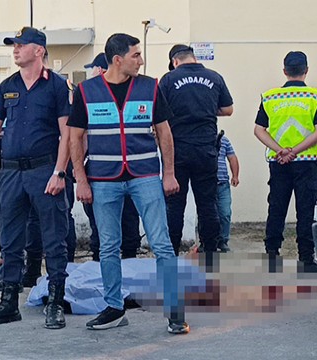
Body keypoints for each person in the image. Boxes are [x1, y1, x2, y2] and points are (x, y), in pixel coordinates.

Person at [68, 33, 188, 334]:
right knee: (108, 246)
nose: (142, 60)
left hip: (145, 176)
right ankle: (113, 308)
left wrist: (169, 173)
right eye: (136, 55)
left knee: (161, 244)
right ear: (118, 59)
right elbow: (75, 137)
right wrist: (80, 179)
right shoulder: (86, 91)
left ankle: (174, 310)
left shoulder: (150, 87)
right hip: (103, 179)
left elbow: (164, 133)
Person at [0, 26, 71, 329]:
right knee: (10, 238)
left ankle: (56, 301)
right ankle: (8, 303)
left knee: (54, 238)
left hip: (45, 169)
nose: (15, 50)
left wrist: (60, 171)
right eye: (13, 46)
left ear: (39, 50)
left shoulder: (57, 86)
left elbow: (67, 133)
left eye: (20, 45)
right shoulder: (8, 86)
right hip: (11, 172)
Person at [254, 51, 317, 272]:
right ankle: (306, 259)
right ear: (306, 70)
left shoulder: (270, 97)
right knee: (306, 210)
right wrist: (295, 151)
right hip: (306, 162)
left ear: (284, 71)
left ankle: (271, 255)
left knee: (276, 207)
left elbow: (259, 130)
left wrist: (281, 151)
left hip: (279, 163)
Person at [159, 44, 234, 255]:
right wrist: (207, 110)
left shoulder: (168, 79)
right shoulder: (214, 77)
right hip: (206, 150)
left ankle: (170, 253)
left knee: (175, 207)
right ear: (192, 57)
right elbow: (228, 109)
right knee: (208, 204)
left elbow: (159, 114)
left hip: (177, 151)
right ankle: (210, 252)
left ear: (175, 62)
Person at [82, 52, 142, 262]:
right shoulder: (88, 94)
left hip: (113, 173)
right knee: (112, 224)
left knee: (110, 222)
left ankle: (123, 261)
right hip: (109, 172)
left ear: (101, 70)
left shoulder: (95, 94)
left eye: (93, 69)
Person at [216, 134, 240, 252]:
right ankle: (205, 241)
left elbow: (232, 158)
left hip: (223, 184)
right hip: (206, 185)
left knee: (225, 213)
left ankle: (223, 241)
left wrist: (235, 176)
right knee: (206, 215)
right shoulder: (202, 138)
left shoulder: (224, 140)